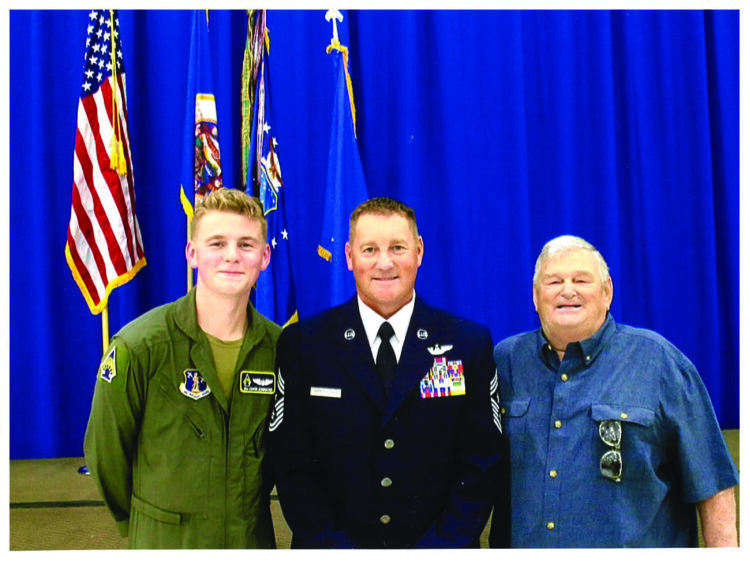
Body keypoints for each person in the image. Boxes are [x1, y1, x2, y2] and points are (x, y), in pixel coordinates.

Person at [268, 197, 503, 548]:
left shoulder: (467, 344)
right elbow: (292, 467)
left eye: (397, 248)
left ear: (419, 252)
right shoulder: (305, 345)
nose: (384, 263)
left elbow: (481, 465)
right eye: (369, 249)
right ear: (349, 257)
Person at [489, 235, 738, 548]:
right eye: (553, 282)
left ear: (607, 293)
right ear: (535, 297)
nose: (567, 290)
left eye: (581, 279)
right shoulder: (504, 361)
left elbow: (712, 484)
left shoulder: (660, 362)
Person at [84, 189, 280, 549]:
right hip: (165, 542)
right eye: (217, 244)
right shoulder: (140, 347)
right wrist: (146, 522)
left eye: (246, 245)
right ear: (192, 253)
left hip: (248, 542)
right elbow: (106, 454)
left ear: (265, 257)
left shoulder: (281, 350)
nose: (232, 256)